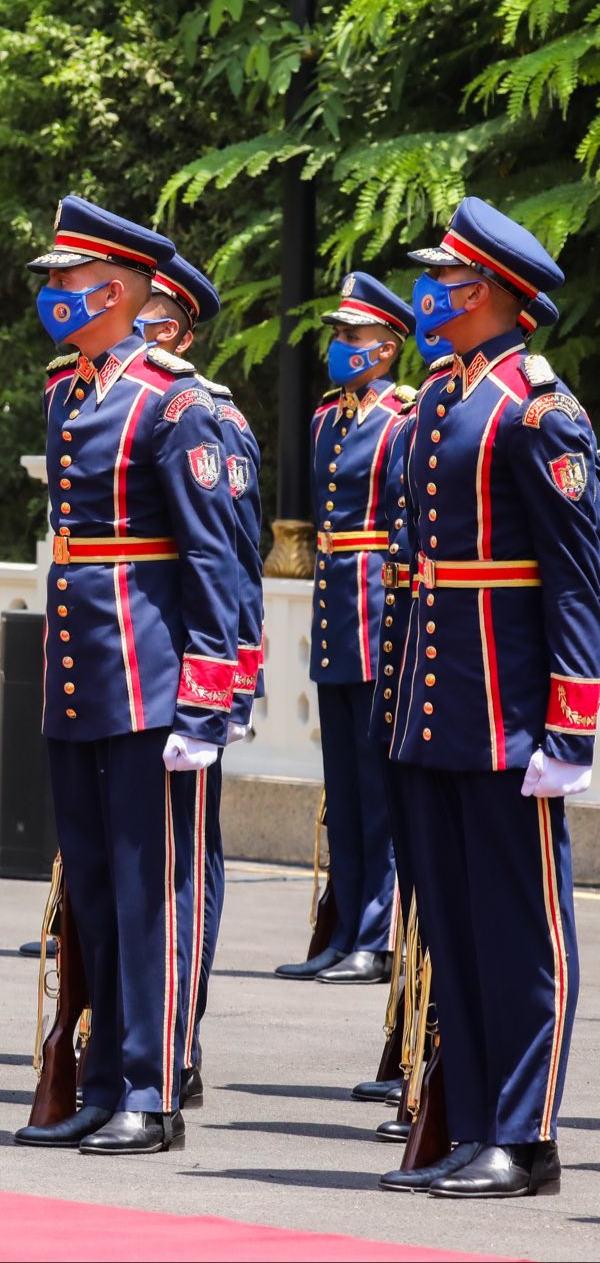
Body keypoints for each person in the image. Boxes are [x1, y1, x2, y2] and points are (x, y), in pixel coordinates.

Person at [11, 198, 239, 1155]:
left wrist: (210, 694)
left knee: (157, 893)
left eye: (67, 280)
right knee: (96, 890)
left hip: (153, 681)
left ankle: (152, 1086)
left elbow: (217, 555)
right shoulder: (70, 394)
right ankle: (102, 1077)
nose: (53, 295)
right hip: (84, 679)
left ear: (115, 289)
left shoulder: (183, 404)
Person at [375, 198, 588, 1199]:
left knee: (516, 926)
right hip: (434, 704)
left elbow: (575, 577)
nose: (427, 294)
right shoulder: (434, 400)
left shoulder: (539, 411)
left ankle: (525, 1132)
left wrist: (571, 720)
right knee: (451, 925)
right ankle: (468, 1120)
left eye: (444, 279)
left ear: (491, 291)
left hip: (508, 710)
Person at [276, 271, 417, 986]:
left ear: (387, 348)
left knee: (376, 785)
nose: (339, 347)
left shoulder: (404, 419)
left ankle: (376, 935)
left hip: (378, 605)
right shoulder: (327, 418)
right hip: (337, 604)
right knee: (344, 789)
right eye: (337, 335)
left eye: (352, 337)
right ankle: (343, 930)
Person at [135, 251, 245, 1107]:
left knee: (178, 868)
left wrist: (221, 688)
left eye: (158, 324)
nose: (144, 335)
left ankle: (176, 1043)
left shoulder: (202, 415)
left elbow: (228, 562)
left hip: (178, 670)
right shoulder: (90, 396)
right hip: (108, 673)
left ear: (185, 333)